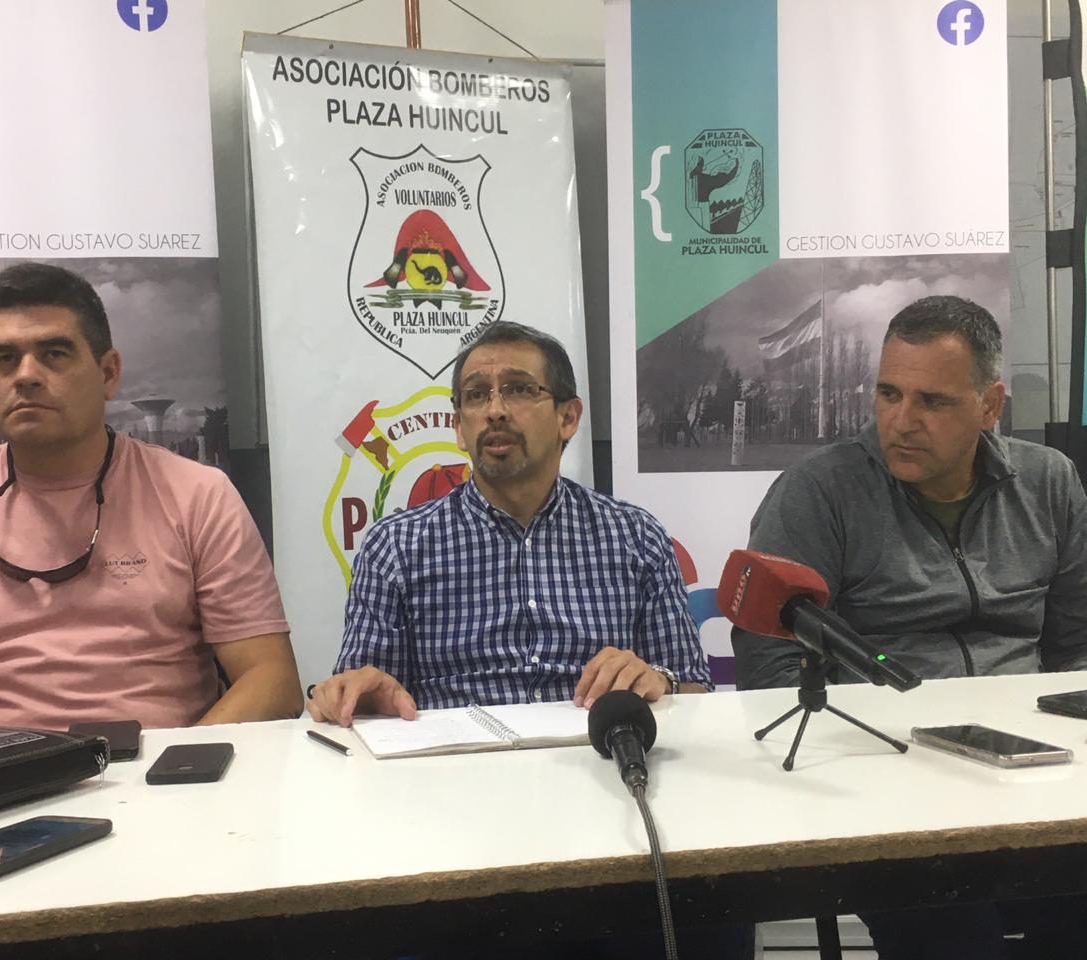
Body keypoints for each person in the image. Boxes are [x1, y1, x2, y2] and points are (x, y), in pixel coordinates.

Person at [309, 321, 748, 960]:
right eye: (476, 395)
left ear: (568, 417)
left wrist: (658, 680)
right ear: (457, 426)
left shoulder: (634, 537)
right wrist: (359, 695)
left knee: (719, 908)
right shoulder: (396, 547)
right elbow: (360, 711)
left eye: (517, 389)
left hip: (610, 803)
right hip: (454, 821)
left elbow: (696, 693)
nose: (494, 410)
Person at [732, 295, 1087, 958]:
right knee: (957, 942)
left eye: (933, 401)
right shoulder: (819, 492)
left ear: (990, 405)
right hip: (889, 778)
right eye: (888, 394)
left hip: (1040, 771)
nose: (901, 421)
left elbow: (1077, 650)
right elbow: (771, 669)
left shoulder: (1048, 483)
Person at [0, 262, 302, 730]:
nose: (25, 375)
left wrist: (180, 766)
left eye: (54, 353)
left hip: (160, 775)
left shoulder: (198, 496)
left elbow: (272, 682)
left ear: (108, 373)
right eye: (3, 358)